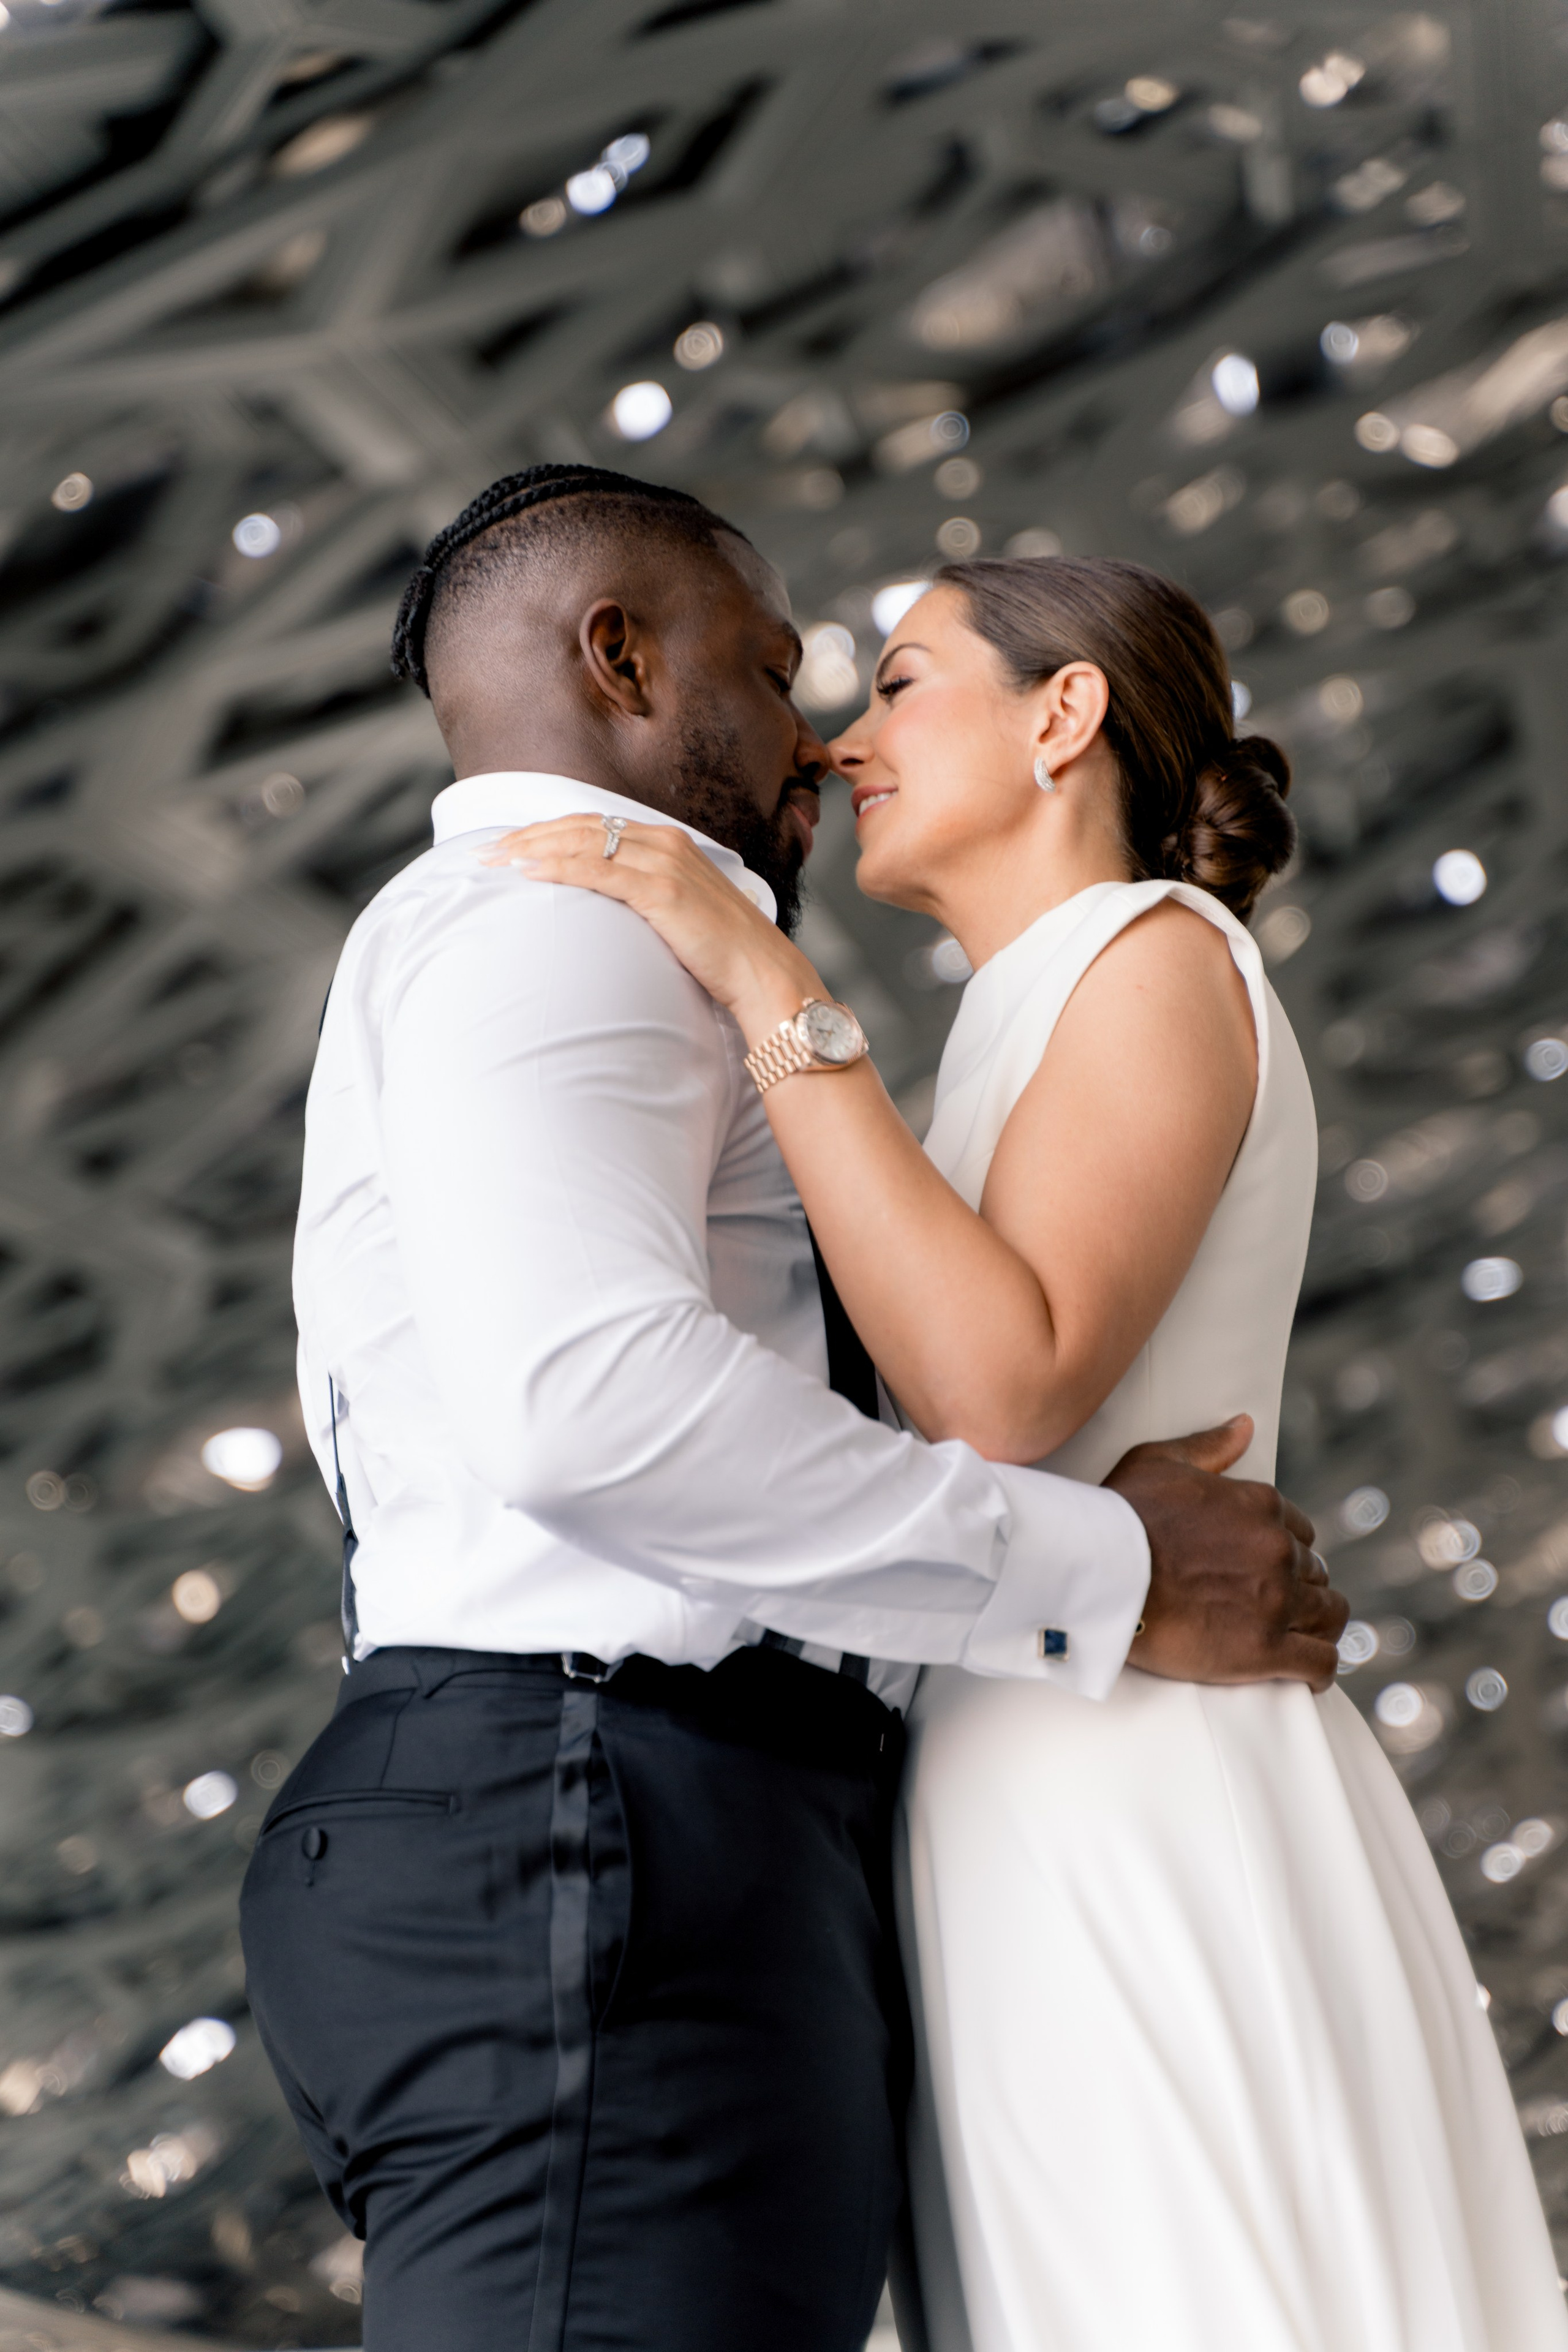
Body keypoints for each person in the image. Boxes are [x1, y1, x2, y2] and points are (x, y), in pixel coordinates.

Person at [239, 466, 1343, 2352]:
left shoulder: (605, 938)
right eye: (773, 672)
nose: (819, 745)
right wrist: (1101, 1568)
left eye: (877, 686)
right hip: (598, 1819)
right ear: (620, 657)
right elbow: (589, 1407)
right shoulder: (558, 924)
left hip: (641, 1824)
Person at [500, 549, 1568, 2352]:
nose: (843, 746)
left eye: (903, 684)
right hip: (1026, 1758)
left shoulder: (1150, 954)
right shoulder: (1030, 1007)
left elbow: (1004, 1388)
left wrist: (758, 968)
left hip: (1135, 1779)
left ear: (1063, 716)